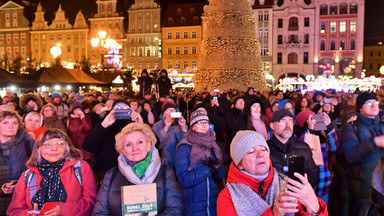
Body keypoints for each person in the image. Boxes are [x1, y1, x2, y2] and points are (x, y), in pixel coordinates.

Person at [217, 130, 328, 216]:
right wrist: (273, 213)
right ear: (239, 163)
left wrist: (314, 208)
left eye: (264, 149)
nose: (260, 154)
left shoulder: (287, 186)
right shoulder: (227, 197)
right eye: (251, 152)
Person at [92, 122, 183, 215]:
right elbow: (100, 212)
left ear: (149, 145)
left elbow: (175, 209)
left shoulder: (165, 172)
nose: (135, 148)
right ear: (122, 150)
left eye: (140, 142)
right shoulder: (111, 175)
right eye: (128, 144)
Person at [7, 129, 97, 216]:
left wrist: (63, 210)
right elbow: (14, 211)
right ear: (39, 148)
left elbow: (92, 203)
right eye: (48, 144)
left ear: (66, 148)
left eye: (60, 144)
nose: (54, 148)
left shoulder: (80, 168)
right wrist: (30, 214)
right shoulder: (28, 175)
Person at [175, 110, 224, 216]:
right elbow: (184, 179)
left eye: (206, 122)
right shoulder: (184, 148)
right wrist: (208, 170)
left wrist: (217, 170)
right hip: (193, 205)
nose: (204, 125)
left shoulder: (213, 145)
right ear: (192, 127)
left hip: (213, 203)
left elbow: (220, 177)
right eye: (199, 122)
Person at [342, 92, 384, 216]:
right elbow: (351, 155)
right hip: (363, 189)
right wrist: (375, 142)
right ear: (360, 107)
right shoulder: (352, 127)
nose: (373, 105)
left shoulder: (382, 126)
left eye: (375, 102)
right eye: (369, 102)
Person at [83, 99, 143, 183]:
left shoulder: (135, 124)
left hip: (133, 173)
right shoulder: (105, 123)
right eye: (118, 107)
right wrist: (104, 125)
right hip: (107, 174)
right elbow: (88, 145)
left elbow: (154, 143)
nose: (121, 109)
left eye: (125, 107)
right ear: (112, 110)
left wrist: (141, 125)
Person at [267, 109, 319, 188]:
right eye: (283, 121)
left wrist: (300, 192)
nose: (288, 125)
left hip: (299, 197)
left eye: (290, 121)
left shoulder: (304, 147)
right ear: (272, 126)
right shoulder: (265, 149)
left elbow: (313, 174)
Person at [0, 110, 35, 214]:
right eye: (5, 122)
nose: (10, 126)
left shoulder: (28, 143)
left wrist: (20, 186)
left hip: (21, 202)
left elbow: (37, 171)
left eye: (14, 123)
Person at [152, 101, 188, 168]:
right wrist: (166, 127)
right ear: (163, 114)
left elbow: (186, 143)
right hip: (165, 163)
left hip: (180, 161)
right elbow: (156, 145)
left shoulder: (179, 124)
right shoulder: (157, 125)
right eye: (168, 110)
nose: (171, 112)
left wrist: (183, 128)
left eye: (173, 110)